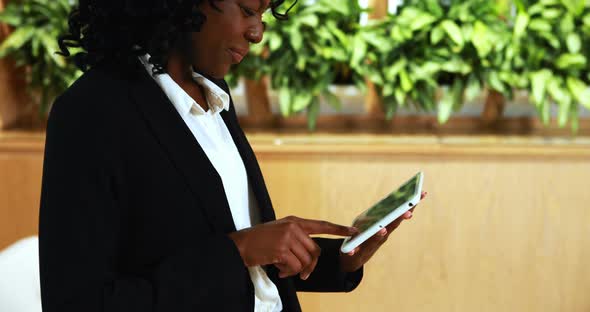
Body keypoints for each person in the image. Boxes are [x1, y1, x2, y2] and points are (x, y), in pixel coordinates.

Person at [39, 0, 423, 311]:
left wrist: (337, 261)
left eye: (264, 13)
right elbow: (77, 302)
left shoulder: (212, 93)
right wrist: (237, 250)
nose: (258, 32)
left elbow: (228, 247)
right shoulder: (91, 113)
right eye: (247, 9)